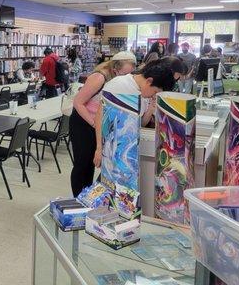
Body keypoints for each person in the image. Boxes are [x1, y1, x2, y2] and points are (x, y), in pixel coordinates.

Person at [69, 51, 137, 197]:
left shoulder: (116, 80)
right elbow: (78, 102)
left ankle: (85, 196)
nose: (124, 78)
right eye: (123, 74)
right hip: (83, 122)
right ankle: (77, 198)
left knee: (91, 164)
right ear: (115, 68)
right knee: (82, 164)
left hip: (95, 123)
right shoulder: (99, 77)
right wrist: (94, 123)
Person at [93, 59, 178, 169]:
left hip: (129, 151)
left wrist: (151, 107)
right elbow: (100, 117)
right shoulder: (118, 85)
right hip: (113, 149)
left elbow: (140, 123)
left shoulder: (143, 92)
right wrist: (99, 148)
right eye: (155, 92)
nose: (154, 96)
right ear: (149, 81)